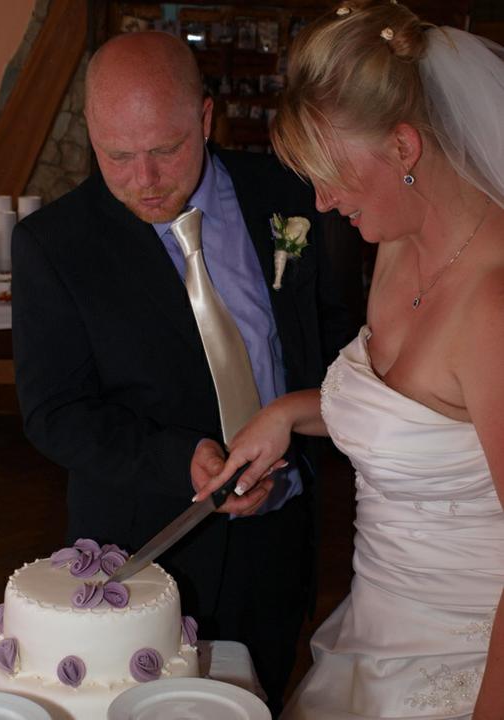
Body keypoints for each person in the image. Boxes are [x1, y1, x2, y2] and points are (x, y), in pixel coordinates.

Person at [10, 31, 364, 716]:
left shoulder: (288, 194)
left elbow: (334, 336)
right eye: (117, 156)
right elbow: (54, 411)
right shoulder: (55, 244)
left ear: (205, 119)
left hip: (281, 537)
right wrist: (180, 458)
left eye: (165, 150)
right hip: (143, 556)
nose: (144, 179)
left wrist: (299, 442)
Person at [192, 1, 504, 718]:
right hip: (371, 634)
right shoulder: (396, 244)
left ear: (404, 148)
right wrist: (287, 414)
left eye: (333, 175)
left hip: (466, 663)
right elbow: (416, 418)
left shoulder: (492, 308)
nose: (324, 203)